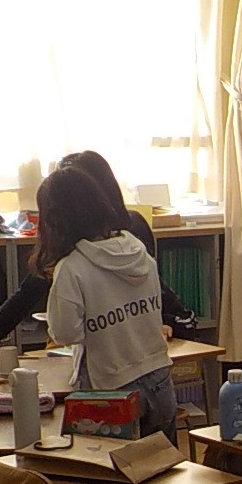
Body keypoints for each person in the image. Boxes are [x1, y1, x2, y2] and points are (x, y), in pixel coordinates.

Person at [0, 149, 199, 355]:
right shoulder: (67, 242)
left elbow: (154, 293)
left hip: (128, 345)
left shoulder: (129, 234)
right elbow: (29, 291)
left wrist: (164, 323)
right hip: (86, 348)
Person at [38, 165, 178, 443]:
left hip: (110, 388)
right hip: (159, 377)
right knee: (164, 464)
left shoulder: (72, 267)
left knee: (109, 468)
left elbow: (65, 333)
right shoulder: (137, 250)